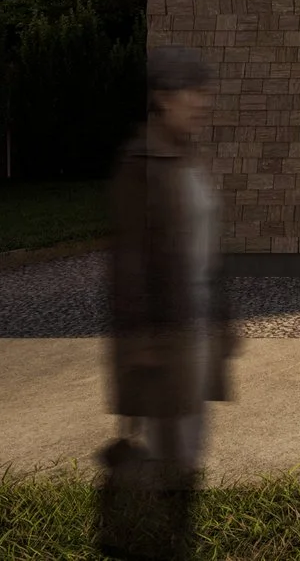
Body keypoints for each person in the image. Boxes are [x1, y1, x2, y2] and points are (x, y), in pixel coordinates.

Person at [102, 44, 237, 561]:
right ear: (162, 97)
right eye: (190, 91)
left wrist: (223, 318)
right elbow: (129, 261)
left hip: (197, 324)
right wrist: (139, 341)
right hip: (165, 335)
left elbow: (207, 250)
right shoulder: (141, 164)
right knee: (169, 455)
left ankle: (172, 541)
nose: (201, 101)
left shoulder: (185, 157)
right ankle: (162, 546)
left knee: (187, 450)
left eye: (203, 90)